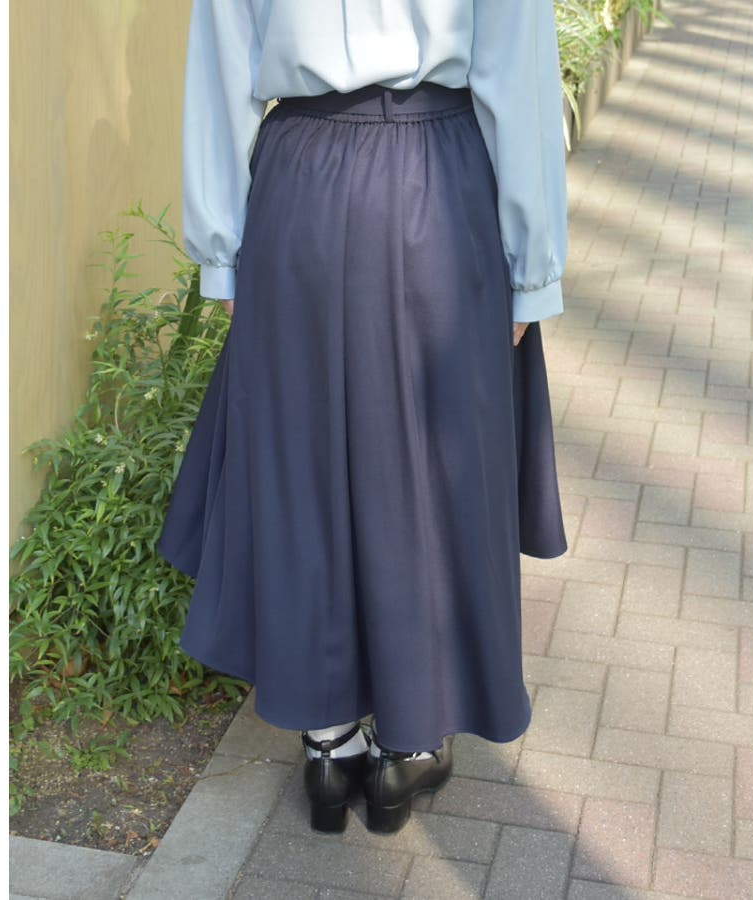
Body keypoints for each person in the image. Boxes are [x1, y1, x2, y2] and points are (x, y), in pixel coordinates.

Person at [157, 0, 569, 836]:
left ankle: (328, 740)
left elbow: (223, 67)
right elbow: (516, 73)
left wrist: (222, 255)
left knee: (302, 465)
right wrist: (533, 268)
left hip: (297, 188)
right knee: (431, 469)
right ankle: (407, 742)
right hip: (438, 184)